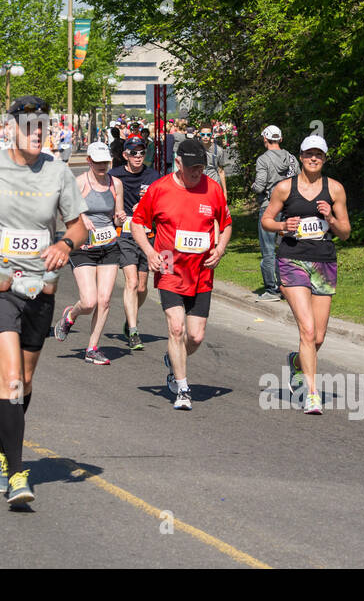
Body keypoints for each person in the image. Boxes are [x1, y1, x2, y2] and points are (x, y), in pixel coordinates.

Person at [0, 95, 88, 505]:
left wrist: (65, 243)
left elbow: (79, 226)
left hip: (40, 286)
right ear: (11, 129)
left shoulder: (59, 172)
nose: (37, 133)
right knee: (9, 380)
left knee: (24, 382)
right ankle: (16, 470)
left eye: (43, 127)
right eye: (29, 126)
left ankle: (0, 446)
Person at [132, 137, 233, 410]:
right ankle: (182, 388)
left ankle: (174, 358)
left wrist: (220, 248)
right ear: (178, 163)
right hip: (168, 266)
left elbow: (226, 224)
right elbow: (138, 223)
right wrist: (150, 252)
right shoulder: (159, 189)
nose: (196, 173)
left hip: (201, 271)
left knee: (196, 336)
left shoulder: (212, 189)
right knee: (176, 328)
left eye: (200, 167)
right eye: (191, 168)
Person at [262, 135, 351, 414]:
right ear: (301, 156)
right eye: (309, 154)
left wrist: (332, 219)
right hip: (292, 260)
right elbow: (266, 220)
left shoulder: (334, 189)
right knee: (308, 329)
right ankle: (312, 394)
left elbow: (346, 232)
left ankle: (297, 363)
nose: (314, 159)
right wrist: (282, 226)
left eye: (319, 155)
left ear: (324, 159)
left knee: (319, 336)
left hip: (324, 261)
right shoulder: (284, 188)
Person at [53, 142, 126, 364]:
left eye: (105, 162)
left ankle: (92, 347)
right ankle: (70, 315)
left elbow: (117, 215)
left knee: (104, 301)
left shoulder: (116, 184)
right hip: (83, 248)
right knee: (89, 302)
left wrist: (120, 219)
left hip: (108, 246)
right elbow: (63, 211)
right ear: (89, 162)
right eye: (97, 162)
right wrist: (81, 218)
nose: (102, 166)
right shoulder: (80, 183)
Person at [110, 135, 162, 349]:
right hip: (125, 234)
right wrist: (116, 214)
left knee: (141, 287)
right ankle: (133, 331)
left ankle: (131, 316)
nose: (138, 156)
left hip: (147, 235)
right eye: (134, 153)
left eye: (141, 152)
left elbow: (161, 204)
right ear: (125, 155)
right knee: (130, 282)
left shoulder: (153, 176)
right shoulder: (115, 176)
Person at [252, 125, 299, 300]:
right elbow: (299, 180)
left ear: (265, 139)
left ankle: (272, 289)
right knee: (287, 248)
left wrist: (253, 187)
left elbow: (260, 185)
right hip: (290, 208)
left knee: (268, 249)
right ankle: (290, 285)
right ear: (281, 138)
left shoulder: (263, 160)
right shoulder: (292, 158)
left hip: (269, 207)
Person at [198, 125, 228, 199]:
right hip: (199, 185)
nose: (205, 137)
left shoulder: (218, 150)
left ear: (212, 135)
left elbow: (221, 171)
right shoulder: (195, 149)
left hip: (213, 183)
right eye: (203, 134)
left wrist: (224, 191)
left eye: (208, 134)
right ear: (199, 134)